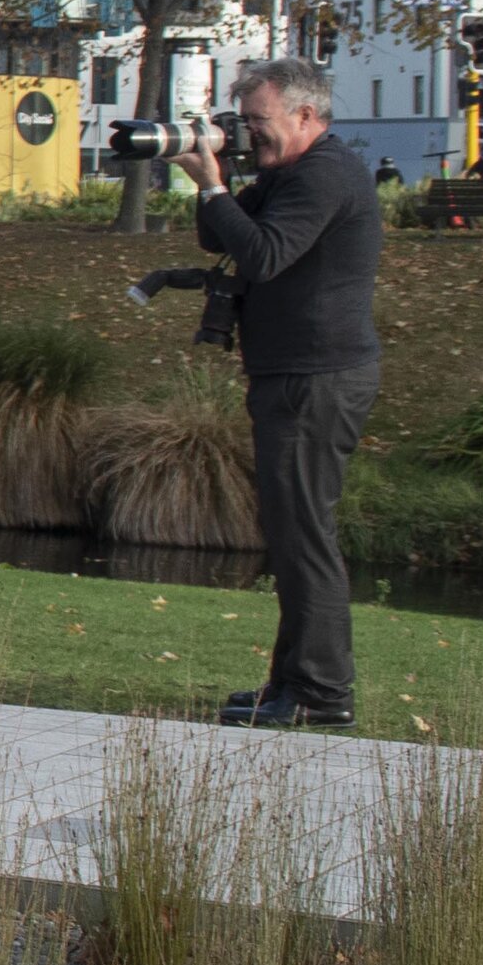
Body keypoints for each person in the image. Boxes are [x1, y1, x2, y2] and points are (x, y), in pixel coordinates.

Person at [184, 60, 380, 730]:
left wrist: (213, 186)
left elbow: (263, 255)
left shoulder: (324, 174)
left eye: (257, 122)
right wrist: (208, 180)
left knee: (303, 537)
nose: (249, 135)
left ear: (304, 114)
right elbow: (219, 235)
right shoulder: (288, 174)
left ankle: (322, 694)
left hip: (315, 379)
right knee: (292, 533)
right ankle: (289, 687)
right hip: (293, 375)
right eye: (241, 123)